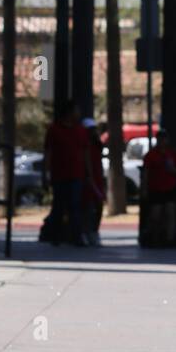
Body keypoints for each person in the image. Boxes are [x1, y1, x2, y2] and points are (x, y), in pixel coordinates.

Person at [43, 100, 89, 246]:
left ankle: (76, 236)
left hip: (76, 174)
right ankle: (55, 236)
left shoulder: (81, 130)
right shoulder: (54, 130)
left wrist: (88, 173)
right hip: (59, 175)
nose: (79, 114)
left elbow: (85, 153)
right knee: (58, 206)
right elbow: (48, 153)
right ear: (69, 112)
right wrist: (46, 173)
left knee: (75, 206)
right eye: (76, 110)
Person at [141, 127, 176, 247]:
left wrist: (173, 169)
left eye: (164, 139)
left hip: (170, 188)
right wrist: (144, 189)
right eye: (160, 139)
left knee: (170, 213)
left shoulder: (173, 154)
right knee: (155, 215)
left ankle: (169, 239)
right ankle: (155, 238)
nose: (162, 141)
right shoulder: (151, 155)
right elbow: (145, 173)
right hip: (155, 189)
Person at [81, 117, 105, 245]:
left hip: (98, 178)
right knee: (87, 207)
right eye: (89, 129)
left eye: (93, 129)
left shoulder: (96, 144)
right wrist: (88, 176)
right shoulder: (82, 144)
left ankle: (94, 231)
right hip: (87, 179)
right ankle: (85, 232)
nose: (92, 132)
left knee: (99, 205)